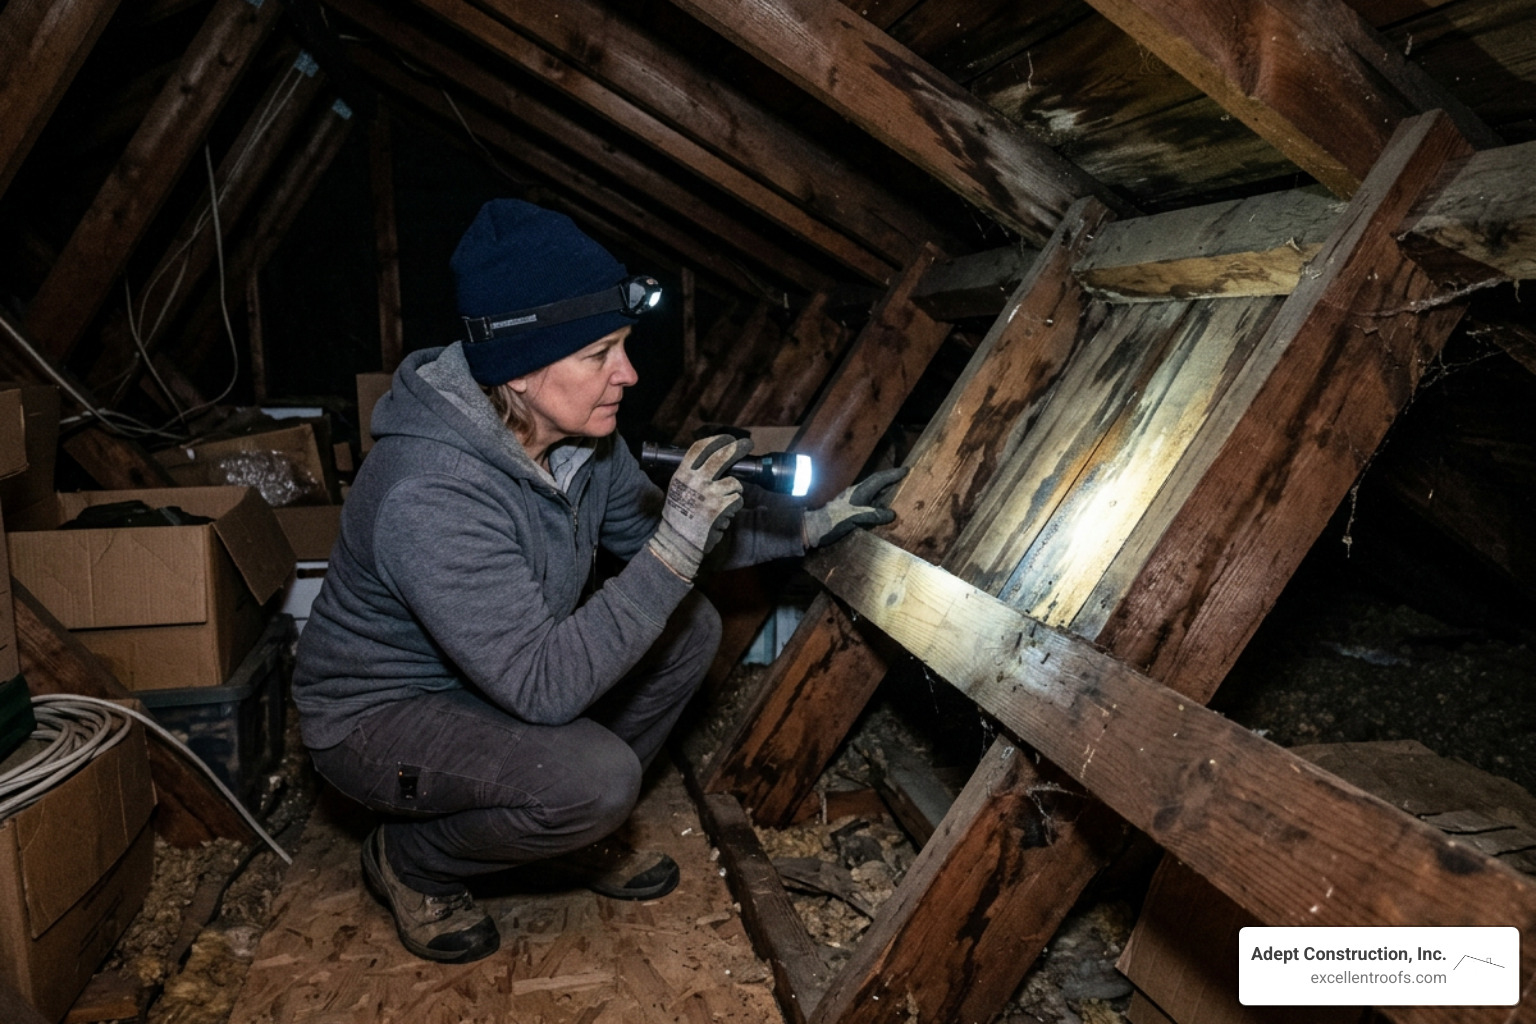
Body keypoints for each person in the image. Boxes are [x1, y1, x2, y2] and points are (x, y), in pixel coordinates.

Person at [291, 199, 906, 964]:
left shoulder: (582, 445)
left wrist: (808, 527)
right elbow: (545, 685)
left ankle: (551, 838)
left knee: (694, 632)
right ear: (518, 369)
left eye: (623, 345)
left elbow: (659, 538)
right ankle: (410, 861)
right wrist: (676, 546)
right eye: (599, 353)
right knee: (593, 783)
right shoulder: (429, 491)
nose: (629, 373)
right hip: (377, 718)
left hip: (486, 678)